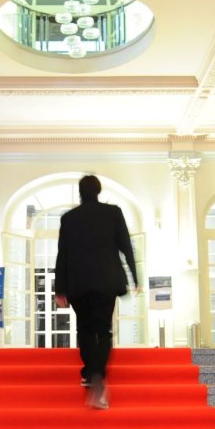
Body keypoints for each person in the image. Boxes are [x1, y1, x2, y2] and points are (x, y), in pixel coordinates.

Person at [54, 175, 138, 410]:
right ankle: (98, 375)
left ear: (80, 192)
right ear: (98, 190)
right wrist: (134, 276)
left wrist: (60, 288)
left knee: (85, 329)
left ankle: (91, 372)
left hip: (78, 283)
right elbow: (125, 247)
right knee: (103, 329)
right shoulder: (113, 213)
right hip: (106, 281)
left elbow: (63, 255)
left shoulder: (69, 219)